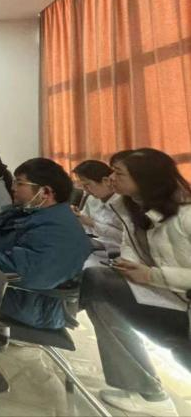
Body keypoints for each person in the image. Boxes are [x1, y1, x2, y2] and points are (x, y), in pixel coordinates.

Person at [81, 148, 191, 416]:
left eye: (118, 174)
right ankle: (145, 390)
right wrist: (128, 266)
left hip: (180, 299)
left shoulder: (186, 216)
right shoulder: (130, 208)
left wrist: (152, 276)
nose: (111, 178)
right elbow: (130, 247)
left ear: (145, 179)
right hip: (161, 294)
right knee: (98, 288)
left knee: (95, 281)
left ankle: (58, 312)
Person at [0, 158, 91, 329]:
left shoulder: (58, 230)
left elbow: (24, 272)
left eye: (19, 183)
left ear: (45, 192)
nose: (13, 188)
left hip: (32, 305)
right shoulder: (30, 212)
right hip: (8, 288)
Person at [72, 159, 125, 251]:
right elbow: (85, 227)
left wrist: (92, 223)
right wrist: (77, 217)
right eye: (82, 186)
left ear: (106, 181)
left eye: (87, 185)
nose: (85, 190)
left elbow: (125, 237)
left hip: (116, 251)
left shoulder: (124, 203)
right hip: (92, 246)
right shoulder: (92, 199)